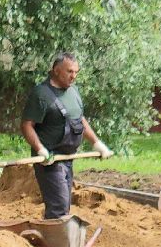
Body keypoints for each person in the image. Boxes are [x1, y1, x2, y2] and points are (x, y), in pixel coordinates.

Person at [19, 52, 110, 220]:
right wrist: (40, 149)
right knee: (59, 207)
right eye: (69, 71)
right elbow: (26, 126)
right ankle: (55, 235)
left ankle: (53, 232)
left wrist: (97, 143)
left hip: (68, 158)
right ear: (56, 70)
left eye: (76, 72)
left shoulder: (73, 92)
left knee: (64, 205)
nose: (73, 76)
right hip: (50, 161)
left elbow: (80, 120)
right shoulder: (41, 94)